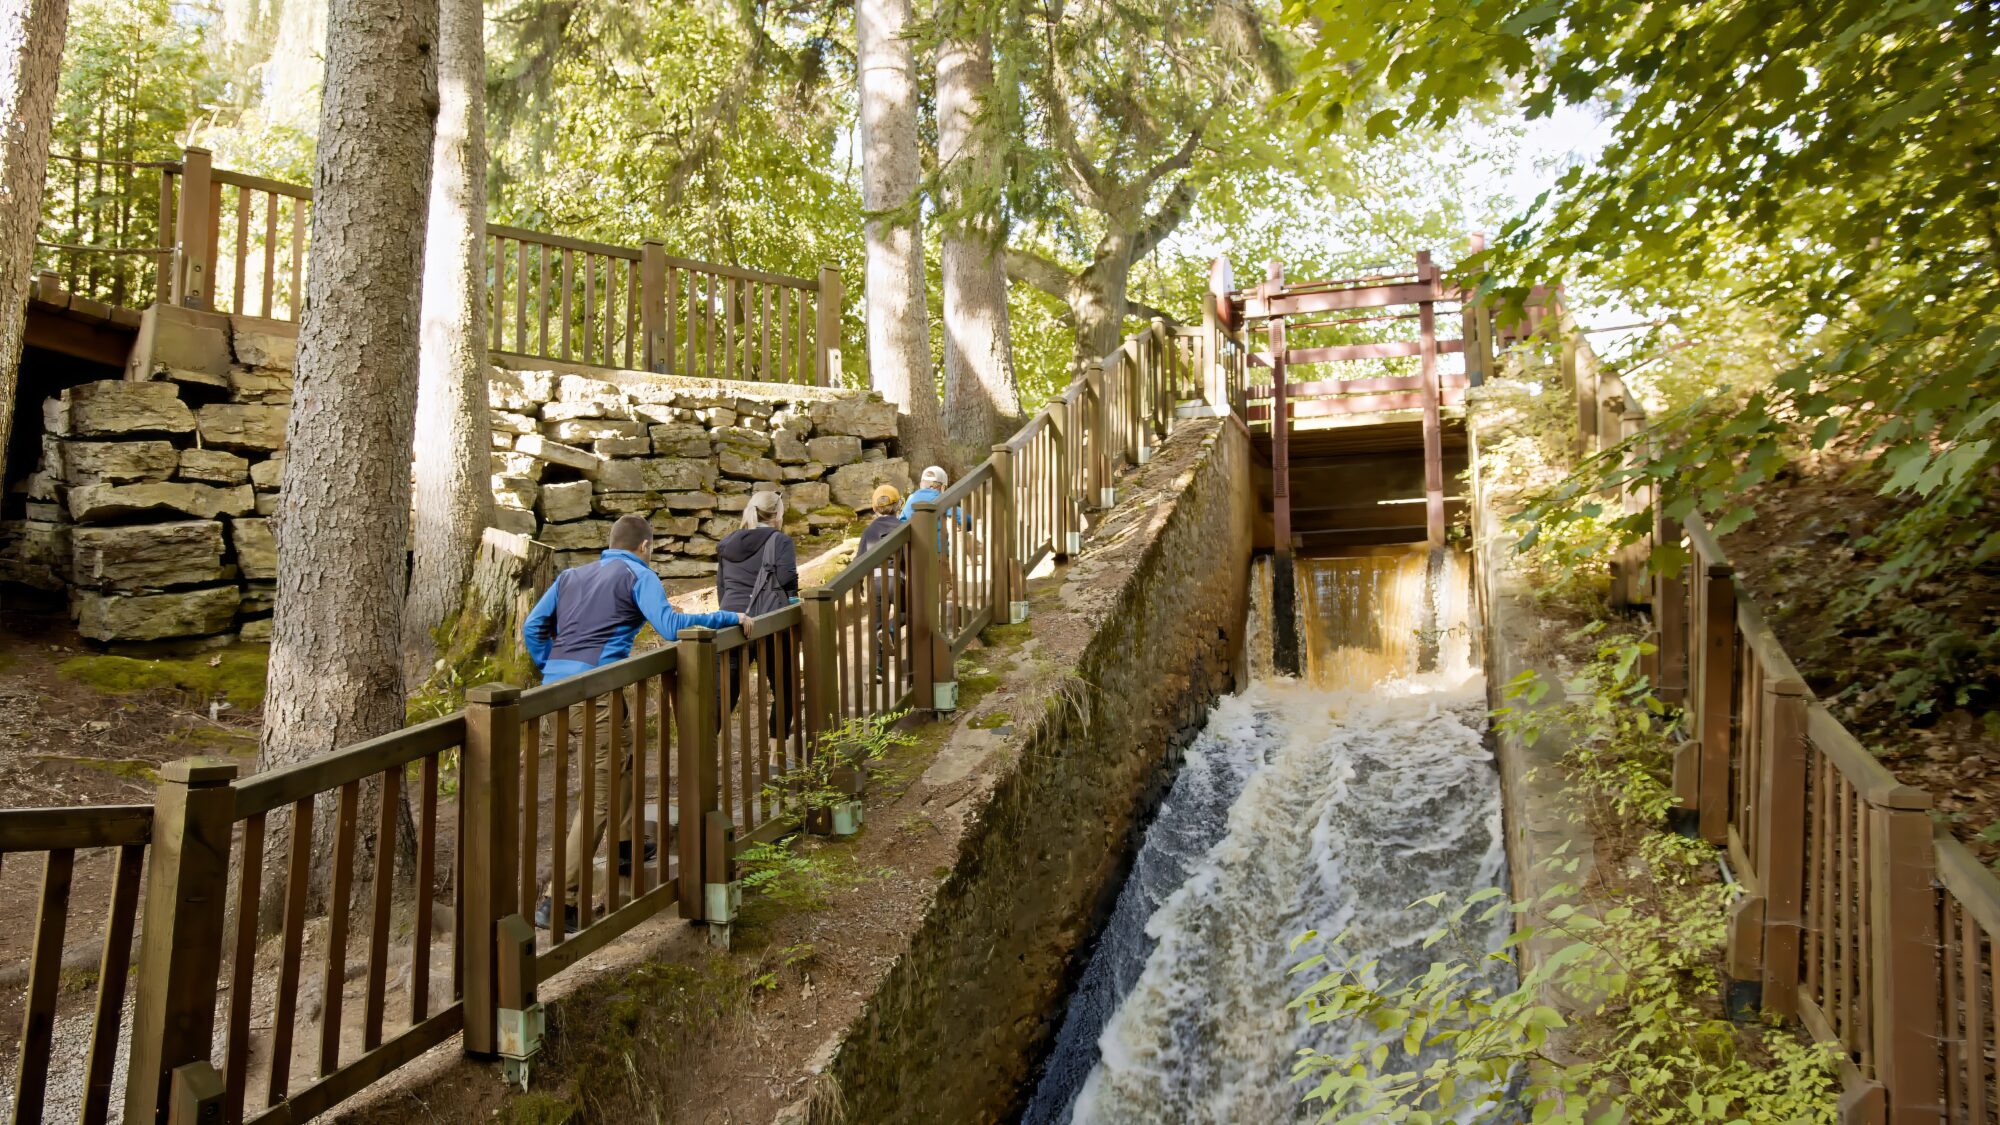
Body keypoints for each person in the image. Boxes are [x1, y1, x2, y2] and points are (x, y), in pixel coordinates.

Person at [524, 512, 747, 934]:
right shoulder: (639, 574)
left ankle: (626, 845)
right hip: (597, 695)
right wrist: (728, 617)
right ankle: (559, 899)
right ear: (645, 546)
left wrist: (551, 668)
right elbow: (668, 626)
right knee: (599, 798)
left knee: (622, 760)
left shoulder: (571, 575)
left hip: (559, 696)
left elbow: (533, 625)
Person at [715, 489, 800, 737]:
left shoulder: (727, 542)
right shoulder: (780, 541)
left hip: (732, 621)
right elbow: (786, 580)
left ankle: (704, 754)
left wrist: (732, 615)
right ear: (776, 515)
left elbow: (722, 586)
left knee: (724, 691)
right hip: (769, 621)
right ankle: (777, 753)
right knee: (785, 685)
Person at [857, 483, 905, 678]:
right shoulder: (903, 527)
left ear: (875, 508)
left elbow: (859, 560)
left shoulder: (868, 531)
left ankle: (878, 670)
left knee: (876, 624)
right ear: (898, 506)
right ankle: (891, 629)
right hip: (896, 579)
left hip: (874, 583)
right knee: (908, 612)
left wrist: (860, 583)